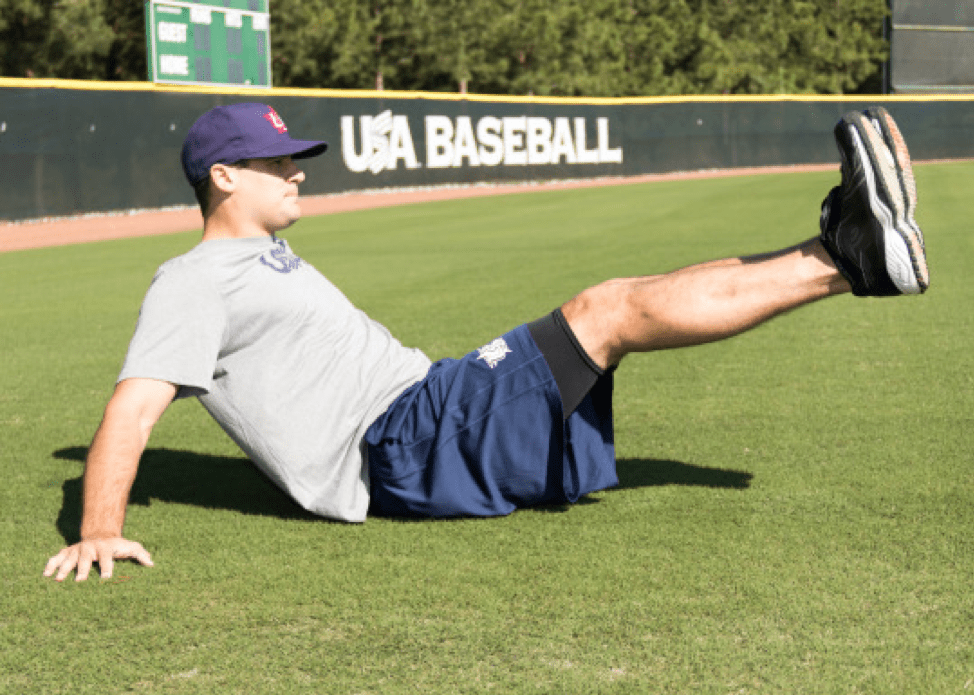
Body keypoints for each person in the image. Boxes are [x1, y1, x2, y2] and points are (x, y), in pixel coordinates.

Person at [43, 103, 928, 582]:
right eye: (277, 162)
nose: (297, 169)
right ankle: (847, 258)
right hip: (398, 445)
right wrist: (99, 527)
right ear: (223, 176)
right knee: (604, 310)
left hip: (423, 409)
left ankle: (845, 246)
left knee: (602, 312)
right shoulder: (193, 280)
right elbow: (134, 400)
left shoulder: (261, 256)